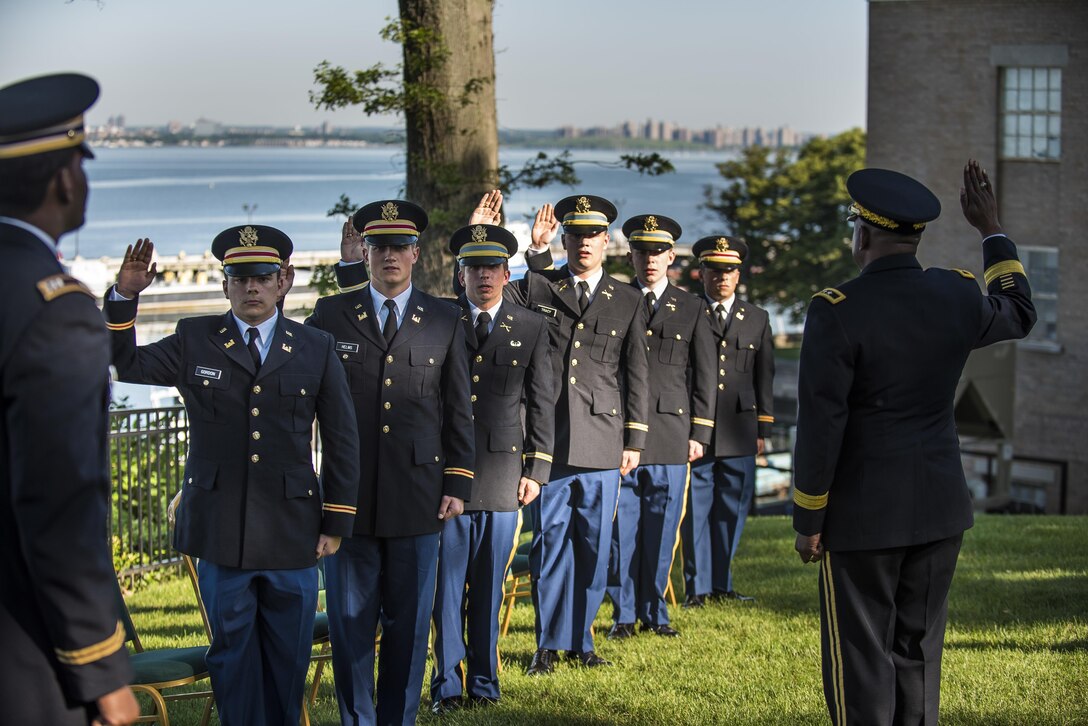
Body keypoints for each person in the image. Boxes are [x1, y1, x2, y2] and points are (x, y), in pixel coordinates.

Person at [793, 162, 1036, 725]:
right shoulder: (955, 294)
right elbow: (1020, 312)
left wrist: (809, 518)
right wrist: (991, 229)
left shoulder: (836, 310)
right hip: (939, 509)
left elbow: (822, 424)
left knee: (862, 662)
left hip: (861, 516)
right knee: (919, 655)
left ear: (863, 233)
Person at [104, 228, 360, 726]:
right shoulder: (196, 338)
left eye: (263, 277)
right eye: (239, 277)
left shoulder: (314, 346)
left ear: (283, 281)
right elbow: (124, 362)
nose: (251, 288)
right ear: (225, 286)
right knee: (232, 655)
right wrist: (125, 297)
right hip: (221, 529)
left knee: (289, 656)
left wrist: (337, 521)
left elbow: (341, 438)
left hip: (293, 530)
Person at [0, 72, 139, 726]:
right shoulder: (56, 312)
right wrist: (101, 666)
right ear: (64, 180)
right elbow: (58, 501)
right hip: (25, 651)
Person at [308, 199, 475, 725]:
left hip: (418, 496)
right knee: (349, 625)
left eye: (399, 247)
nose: (389, 256)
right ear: (364, 251)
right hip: (347, 500)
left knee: (407, 625)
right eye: (378, 246)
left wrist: (458, 481)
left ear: (416, 254)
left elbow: (458, 409)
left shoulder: (446, 317)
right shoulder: (331, 315)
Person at [489, 191, 651, 673]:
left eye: (593, 235)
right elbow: (499, 296)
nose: (584, 242)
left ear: (608, 241)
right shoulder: (541, 287)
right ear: (565, 237)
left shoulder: (627, 298)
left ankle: (582, 641)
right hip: (551, 440)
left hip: (603, 439)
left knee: (594, 544)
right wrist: (531, 251)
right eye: (575, 234)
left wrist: (635, 439)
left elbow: (635, 371)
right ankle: (548, 643)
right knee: (551, 543)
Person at [429, 223, 555, 714]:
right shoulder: (439, 321)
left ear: (508, 273)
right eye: (473, 267)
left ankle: (484, 682)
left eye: (492, 267)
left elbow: (542, 401)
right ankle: (447, 687)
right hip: (447, 477)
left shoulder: (531, 325)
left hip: (504, 476)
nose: (483, 275)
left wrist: (537, 469)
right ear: (460, 276)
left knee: (488, 589)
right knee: (445, 589)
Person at [604, 214, 716, 639]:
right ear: (630, 254)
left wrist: (700, 432)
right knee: (622, 530)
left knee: (663, 525)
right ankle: (625, 614)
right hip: (621, 436)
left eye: (657, 252)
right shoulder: (615, 299)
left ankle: (656, 612)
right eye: (641, 251)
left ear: (671, 256)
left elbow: (704, 374)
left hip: (672, 435)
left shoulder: (692, 307)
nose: (649, 260)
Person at [680, 235, 775, 607]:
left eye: (729, 271)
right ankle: (697, 588)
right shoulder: (687, 312)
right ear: (701, 273)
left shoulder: (757, 318)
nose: (722, 278)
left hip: (740, 427)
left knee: (731, 510)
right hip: (696, 428)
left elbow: (763, 376)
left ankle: (722, 583)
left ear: (740, 275)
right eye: (715, 271)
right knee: (696, 511)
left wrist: (764, 429)